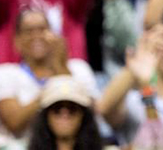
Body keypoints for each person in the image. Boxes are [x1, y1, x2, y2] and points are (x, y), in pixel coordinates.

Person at [16, 75, 137, 150]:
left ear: (83, 115)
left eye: (72, 108)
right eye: (57, 108)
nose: (64, 114)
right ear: (46, 116)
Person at [0, 9, 98, 140]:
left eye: (42, 29)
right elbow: (15, 123)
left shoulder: (78, 68)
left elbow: (89, 114)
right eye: (29, 31)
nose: (37, 36)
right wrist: (53, 84)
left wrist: (61, 69)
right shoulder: (7, 73)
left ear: (54, 34)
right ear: (17, 41)